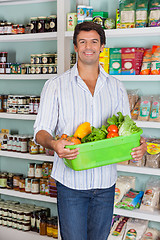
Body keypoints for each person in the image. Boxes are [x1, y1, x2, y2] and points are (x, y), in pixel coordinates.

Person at [34, 22, 147, 240]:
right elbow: (41, 131)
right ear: (75, 47)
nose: (88, 46)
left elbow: (126, 131)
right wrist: (54, 144)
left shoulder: (116, 86)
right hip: (70, 185)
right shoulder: (55, 85)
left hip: (105, 185)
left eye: (94, 41)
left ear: (102, 46)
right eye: (82, 41)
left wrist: (138, 145)